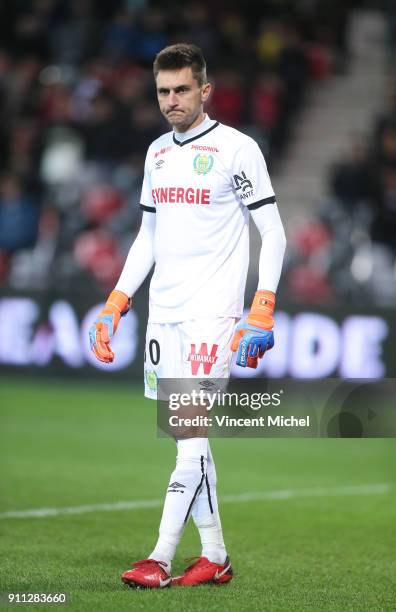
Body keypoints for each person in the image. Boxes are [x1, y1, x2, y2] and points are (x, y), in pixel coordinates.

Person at [89, 43, 286, 588]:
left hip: (213, 319)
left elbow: (272, 230)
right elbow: (148, 237)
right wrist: (117, 301)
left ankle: (159, 556)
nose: (172, 101)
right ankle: (216, 555)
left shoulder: (236, 150)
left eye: (181, 89)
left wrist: (262, 307)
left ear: (205, 90)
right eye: (163, 91)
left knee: (190, 437)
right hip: (164, 318)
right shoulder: (156, 154)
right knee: (188, 442)